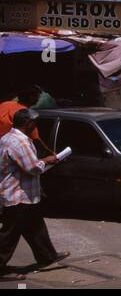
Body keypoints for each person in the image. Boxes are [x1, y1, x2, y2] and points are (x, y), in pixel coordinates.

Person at [0, 109, 69, 277]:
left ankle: (47, 256)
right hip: (18, 195)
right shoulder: (20, 142)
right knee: (9, 235)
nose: (36, 126)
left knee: (35, 227)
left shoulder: (7, 137)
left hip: (24, 193)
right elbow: (33, 168)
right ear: (28, 124)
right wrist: (48, 160)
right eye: (34, 123)